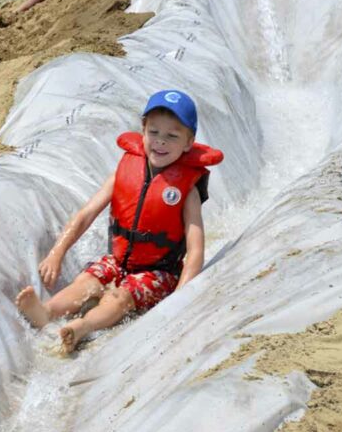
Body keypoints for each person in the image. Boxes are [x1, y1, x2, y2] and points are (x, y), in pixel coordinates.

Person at [15, 90, 224, 354]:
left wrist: (181, 296)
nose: (160, 142)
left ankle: (83, 327)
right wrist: (57, 253)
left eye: (172, 136)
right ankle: (47, 312)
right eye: (154, 133)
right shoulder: (124, 171)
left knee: (119, 296)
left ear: (188, 142)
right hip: (118, 260)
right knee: (87, 282)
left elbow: (195, 249)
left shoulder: (187, 191)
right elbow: (85, 214)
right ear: (143, 130)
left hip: (159, 272)